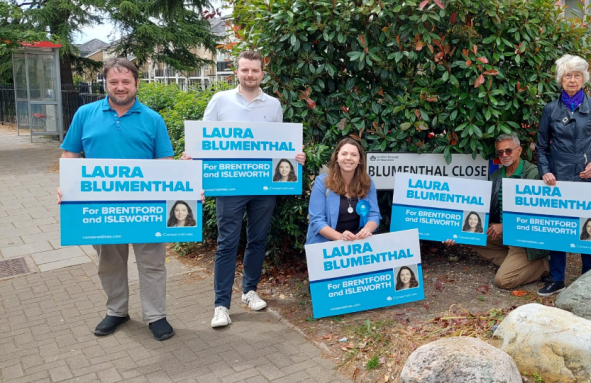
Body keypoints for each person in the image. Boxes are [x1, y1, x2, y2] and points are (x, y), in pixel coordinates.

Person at [56, 58, 177, 341]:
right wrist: (65, 188)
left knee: (152, 263)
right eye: (114, 82)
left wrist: (184, 191)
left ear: (136, 83)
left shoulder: (152, 119)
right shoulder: (85, 114)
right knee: (109, 262)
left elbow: (166, 163)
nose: (120, 87)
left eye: (126, 82)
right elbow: (70, 156)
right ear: (106, 83)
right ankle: (117, 311)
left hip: (145, 208)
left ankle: (156, 315)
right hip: (100, 207)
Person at [188, 50, 306, 329]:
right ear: (236, 72)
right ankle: (221, 305)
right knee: (227, 243)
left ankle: (249, 291)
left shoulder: (273, 105)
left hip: (264, 186)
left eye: (255, 70)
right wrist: (193, 158)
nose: (250, 75)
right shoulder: (220, 101)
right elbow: (203, 140)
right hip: (230, 184)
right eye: (245, 70)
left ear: (262, 73)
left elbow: (280, 145)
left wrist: (295, 157)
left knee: (258, 239)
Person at [537, 54, 591, 297]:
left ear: (584, 79)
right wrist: (545, 170)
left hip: (587, 177)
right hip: (558, 178)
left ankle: (590, 276)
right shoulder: (550, 109)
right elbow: (541, 147)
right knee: (557, 228)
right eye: (568, 75)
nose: (572, 80)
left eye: (577, 75)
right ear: (561, 79)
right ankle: (557, 278)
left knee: (589, 226)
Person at [447, 132, 549, 289]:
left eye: (508, 150)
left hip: (524, 239)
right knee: (468, 231)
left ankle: (542, 266)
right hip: (503, 235)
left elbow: (539, 216)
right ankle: (515, 263)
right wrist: (454, 234)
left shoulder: (533, 174)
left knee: (503, 281)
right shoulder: (496, 176)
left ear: (519, 150)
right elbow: (481, 209)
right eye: (500, 152)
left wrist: (506, 226)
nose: (504, 155)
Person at [306, 137, 380, 244]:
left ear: (360, 160)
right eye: (344, 154)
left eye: (354, 155)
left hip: (358, 244)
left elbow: (374, 215)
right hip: (327, 245)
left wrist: (366, 230)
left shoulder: (367, 182)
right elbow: (317, 221)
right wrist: (341, 237)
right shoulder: (322, 182)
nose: (348, 158)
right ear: (336, 157)